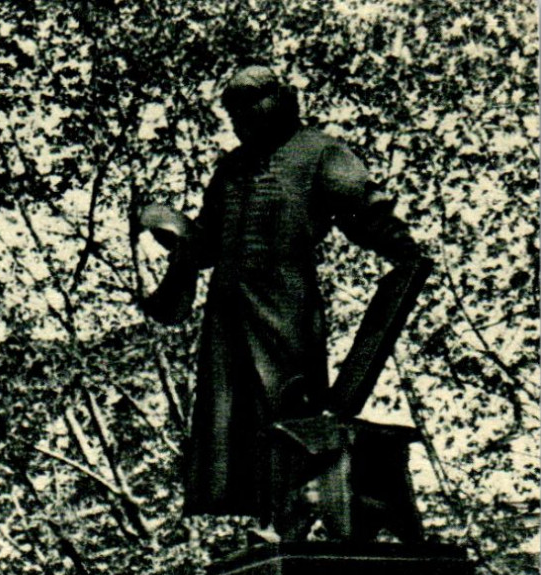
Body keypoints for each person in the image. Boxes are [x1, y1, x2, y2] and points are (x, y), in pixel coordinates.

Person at [139, 62, 422, 538]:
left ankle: (291, 521)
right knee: (238, 421)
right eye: (231, 112)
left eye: (246, 108)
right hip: (228, 310)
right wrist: (172, 229)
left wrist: (401, 249)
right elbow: (209, 242)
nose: (237, 121)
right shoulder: (231, 168)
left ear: (276, 101)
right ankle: (271, 522)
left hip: (283, 305)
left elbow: (365, 208)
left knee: (289, 409)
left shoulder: (318, 152)